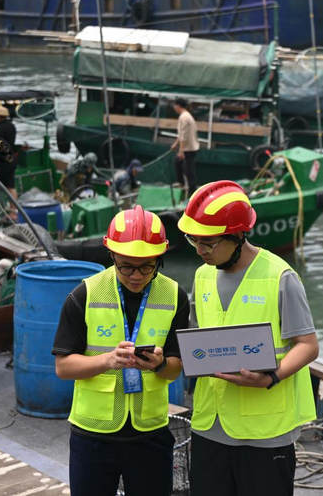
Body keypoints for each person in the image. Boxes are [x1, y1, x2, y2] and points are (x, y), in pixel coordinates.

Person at [177, 180, 318, 496]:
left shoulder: (280, 277)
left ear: (238, 236)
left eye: (208, 243)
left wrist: (271, 378)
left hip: (264, 432)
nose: (200, 251)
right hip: (209, 424)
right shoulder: (202, 275)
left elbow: (308, 346)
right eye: (194, 241)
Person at [52, 205, 189, 496]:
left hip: (150, 434)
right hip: (93, 436)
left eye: (147, 266)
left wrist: (159, 365)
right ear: (111, 255)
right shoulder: (84, 295)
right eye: (126, 266)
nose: (136, 275)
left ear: (160, 258)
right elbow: (63, 367)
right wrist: (107, 360)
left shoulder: (176, 296)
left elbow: (176, 368)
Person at [170, 98, 200, 196]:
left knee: (189, 172)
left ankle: (192, 193)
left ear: (178, 106)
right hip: (189, 147)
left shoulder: (184, 117)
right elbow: (182, 133)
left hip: (189, 149)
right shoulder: (186, 116)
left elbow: (184, 135)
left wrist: (181, 151)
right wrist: (176, 143)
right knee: (178, 162)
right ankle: (181, 183)